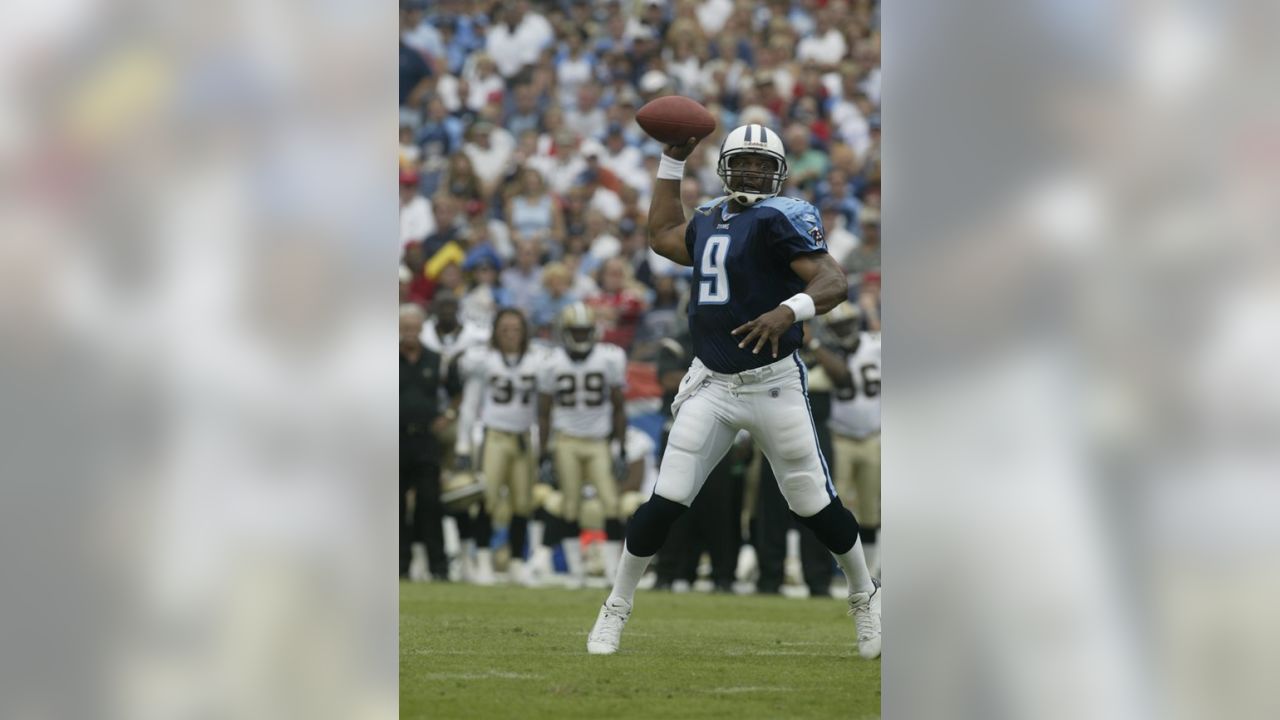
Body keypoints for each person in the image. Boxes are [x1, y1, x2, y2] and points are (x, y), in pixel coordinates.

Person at [586, 124, 881, 659]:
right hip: (715, 384)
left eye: (761, 163)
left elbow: (834, 282)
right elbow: (661, 236)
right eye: (742, 161)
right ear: (724, 166)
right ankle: (615, 609)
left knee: (813, 503)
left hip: (773, 384)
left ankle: (865, 594)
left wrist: (788, 309)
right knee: (667, 498)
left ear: (779, 170)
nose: (751, 171)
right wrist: (670, 165)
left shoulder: (783, 215)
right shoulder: (709, 218)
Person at [537, 302, 628, 588]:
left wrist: (621, 447)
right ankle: (577, 571)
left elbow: (618, 407)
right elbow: (544, 411)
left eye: (584, 331)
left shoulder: (610, 357)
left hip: (598, 441)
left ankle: (614, 572)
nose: (579, 337)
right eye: (575, 332)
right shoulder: (551, 361)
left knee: (611, 503)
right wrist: (544, 452)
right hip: (566, 440)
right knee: (571, 505)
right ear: (565, 332)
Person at [453, 309, 547, 586]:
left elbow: (544, 407)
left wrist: (542, 443)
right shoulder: (484, 360)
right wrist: (462, 443)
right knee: (487, 499)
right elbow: (470, 405)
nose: (510, 334)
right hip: (493, 435)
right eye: (504, 328)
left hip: (524, 437)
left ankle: (517, 563)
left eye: (515, 328)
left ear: (524, 331)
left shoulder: (537, 359)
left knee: (522, 503)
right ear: (495, 331)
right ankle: (482, 561)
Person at [808, 302, 882, 577]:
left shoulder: (875, 344)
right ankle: (835, 571)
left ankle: (871, 573)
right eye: (837, 326)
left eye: (847, 324)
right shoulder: (827, 354)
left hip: (874, 437)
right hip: (839, 437)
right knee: (832, 507)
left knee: (870, 509)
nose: (844, 330)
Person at [399, 304, 452, 581]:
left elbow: (455, 390)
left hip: (425, 439)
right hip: (394, 439)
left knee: (430, 502)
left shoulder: (435, 359)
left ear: (421, 328)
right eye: (404, 327)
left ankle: (439, 566)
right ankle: (398, 566)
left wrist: (449, 415)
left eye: (413, 326)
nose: (409, 332)